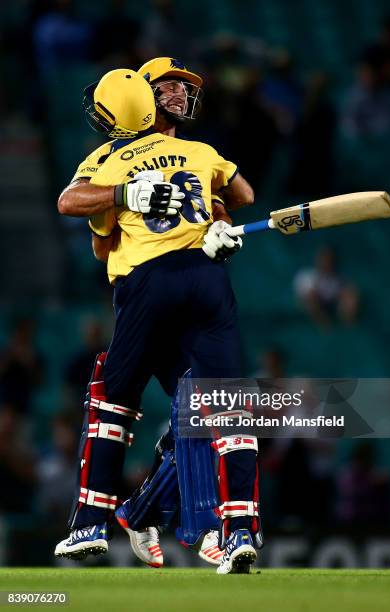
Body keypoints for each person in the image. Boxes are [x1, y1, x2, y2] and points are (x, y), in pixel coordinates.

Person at [55, 60, 261, 574]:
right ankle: (229, 530)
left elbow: (97, 237)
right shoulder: (197, 153)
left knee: (122, 401)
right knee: (219, 406)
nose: (178, 94)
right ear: (145, 99)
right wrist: (212, 216)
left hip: (150, 284)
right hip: (200, 285)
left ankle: (98, 522)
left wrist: (218, 222)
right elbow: (243, 196)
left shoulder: (112, 156)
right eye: (167, 86)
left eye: (183, 87)